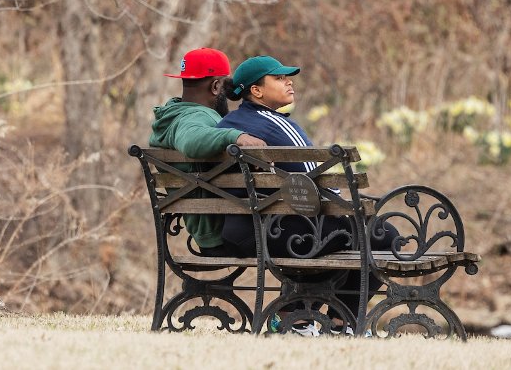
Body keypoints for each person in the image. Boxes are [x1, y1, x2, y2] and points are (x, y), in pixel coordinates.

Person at [215, 55, 400, 335]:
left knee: (341, 233)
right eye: (279, 78)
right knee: (382, 234)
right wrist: (345, 208)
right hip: (279, 233)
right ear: (256, 90)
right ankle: (341, 322)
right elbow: (318, 181)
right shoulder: (277, 124)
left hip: (241, 233)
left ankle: (297, 317)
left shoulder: (228, 124)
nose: (289, 82)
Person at [147, 47, 265, 257]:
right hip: (228, 234)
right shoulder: (196, 117)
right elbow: (191, 141)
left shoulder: (175, 115)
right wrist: (235, 136)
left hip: (213, 231)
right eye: (225, 85)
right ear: (216, 86)